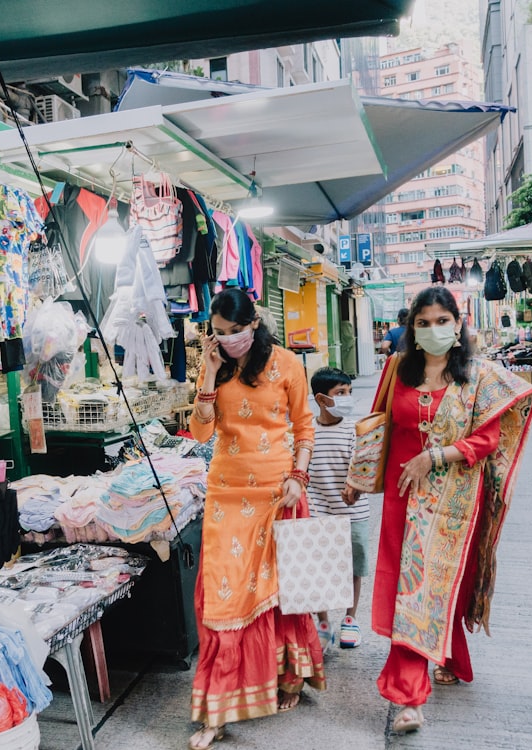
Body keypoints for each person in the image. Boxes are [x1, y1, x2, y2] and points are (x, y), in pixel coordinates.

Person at [370, 286, 532, 733]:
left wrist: (436, 456)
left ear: (458, 325)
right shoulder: (395, 372)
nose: (433, 329)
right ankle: (413, 694)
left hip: (455, 500)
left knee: (436, 585)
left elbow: (488, 440)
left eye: (442, 321)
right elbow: (378, 426)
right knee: (412, 587)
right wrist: (355, 478)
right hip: (401, 497)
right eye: (423, 323)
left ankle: (428, 673)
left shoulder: (479, 377)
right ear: (412, 329)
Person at [187, 288, 324, 750]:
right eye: (219, 333)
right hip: (226, 493)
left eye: (235, 331)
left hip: (277, 491)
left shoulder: (287, 364)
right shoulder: (215, 364)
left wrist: (298, 477)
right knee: (223, 600)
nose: (228, 340)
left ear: (255, 322)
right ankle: (218, 709)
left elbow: (304, 426)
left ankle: (290, 676)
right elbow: (200, 430)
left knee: (280, 593)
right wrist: (207, 371)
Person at [306, 367, 368, 651]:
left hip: (353, 511)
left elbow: (365, 467)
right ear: (321, 398)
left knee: (353, 566)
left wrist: (357, 484)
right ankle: (321, 622)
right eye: (340, 393)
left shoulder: (355, 429)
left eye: (349, 393)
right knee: (317, 566)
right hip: (317, 509)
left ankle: (350, 619)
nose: (347, 398)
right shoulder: (307, 430)